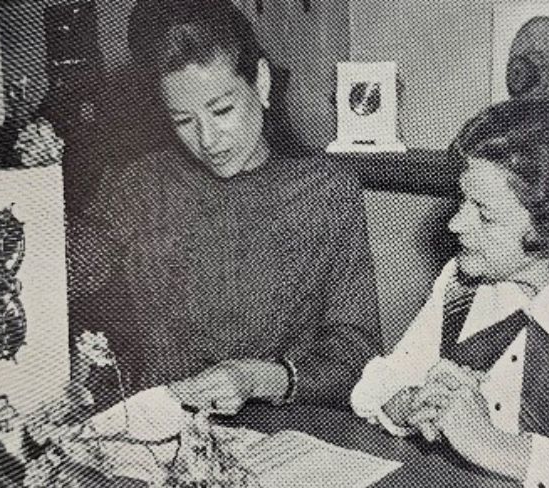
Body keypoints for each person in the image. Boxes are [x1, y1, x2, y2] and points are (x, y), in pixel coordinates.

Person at [69, 0, 380, 412]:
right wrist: (38, 184)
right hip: (159, 435)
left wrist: (259, 378)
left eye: (222, 110)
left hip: (285, 433)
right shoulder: (140, 187)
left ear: (262, 84)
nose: (208, 139)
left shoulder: (324, 191)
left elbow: (358, 355)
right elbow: (67, 284)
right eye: (183, 120)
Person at [351, 97, 549, 487]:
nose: (456, 224)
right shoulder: (464, 281)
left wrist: (493, 445)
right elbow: (385, 380)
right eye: (463, 200)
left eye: (485, 213)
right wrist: (412, 403)